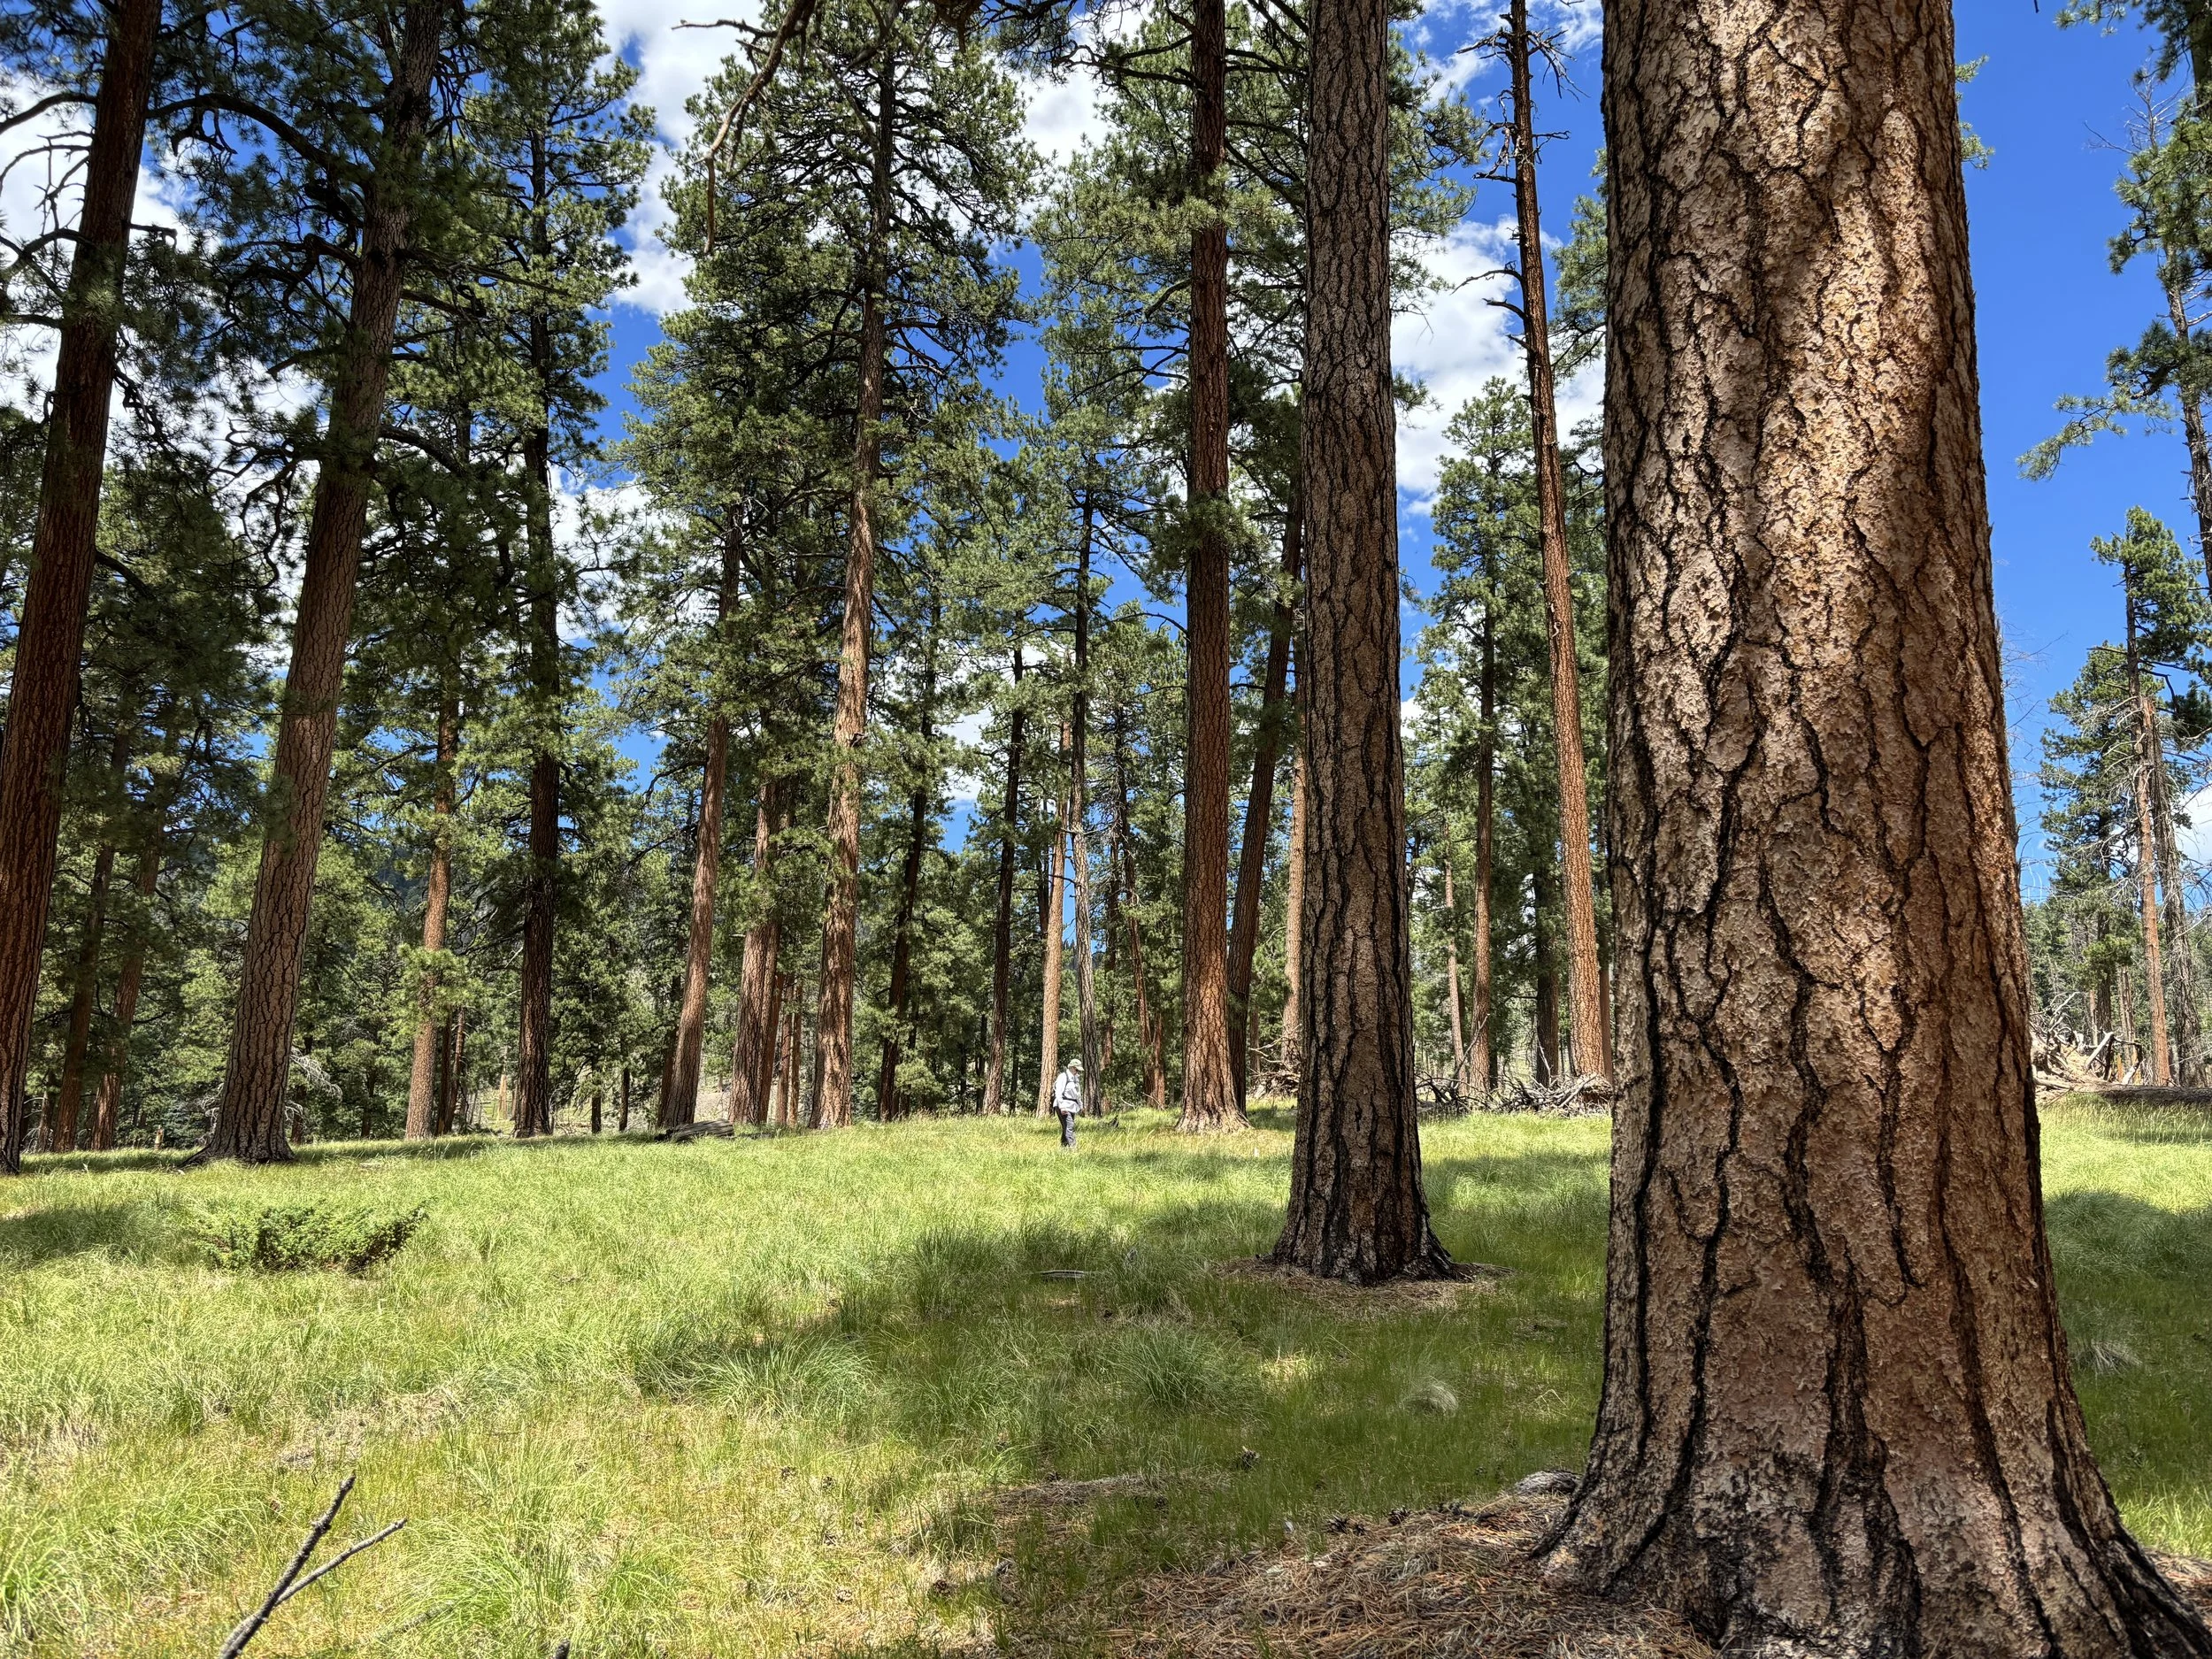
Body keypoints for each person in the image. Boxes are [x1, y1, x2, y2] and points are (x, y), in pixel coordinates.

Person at [1052, 1056, 1083, 1148]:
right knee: (1070, 1126)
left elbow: (1078, 1095)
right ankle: (1073, 1148)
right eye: (1077, 1070)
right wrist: (1062, 1107)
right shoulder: (1063, 1076)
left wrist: (1081, 1106)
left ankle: (1064, 1148)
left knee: (1067, 1127)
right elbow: (1058, 1093)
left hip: (1072, 1106)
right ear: (1072, 1068)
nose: (1078, 1072)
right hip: (1063, 1106)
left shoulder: (1076, 1079)